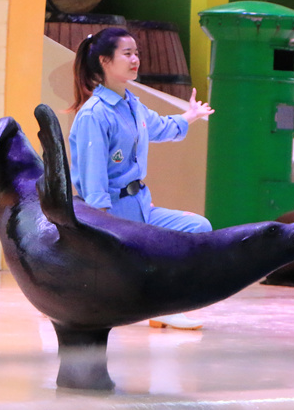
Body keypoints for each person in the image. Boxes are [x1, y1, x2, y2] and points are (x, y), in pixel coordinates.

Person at [68, 26, 214, 328]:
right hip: (113, 214)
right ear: (105, 61)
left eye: (137, 53)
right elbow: (93, 182)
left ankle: (163, 304)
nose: (136, 59)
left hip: (141, 207)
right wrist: (101, 233)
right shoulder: (94, 114)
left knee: (198, 228)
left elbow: (159, 127)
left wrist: (190, 115)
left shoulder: (132, 104)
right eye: (127, 53)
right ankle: (158, 305)